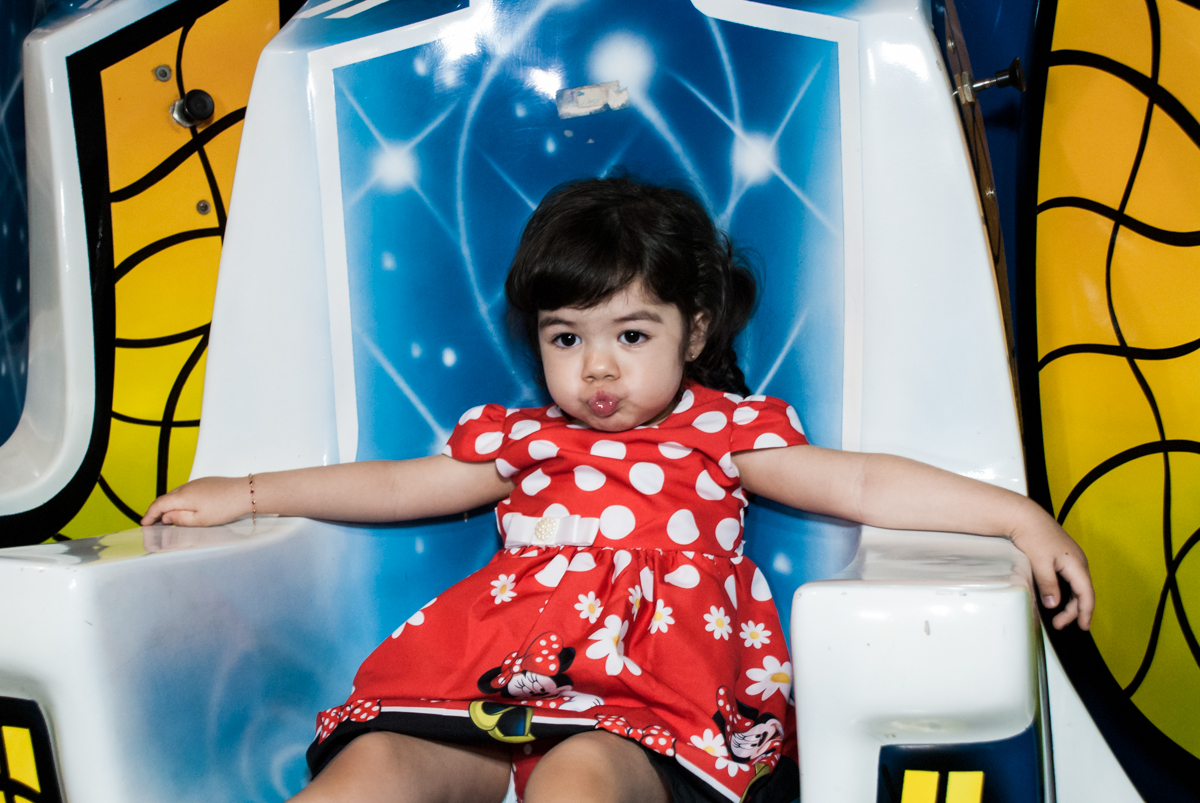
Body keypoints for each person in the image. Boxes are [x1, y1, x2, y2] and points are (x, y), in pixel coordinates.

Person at [142, 176, 1093, 803]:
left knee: (580, 782)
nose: (596, 368)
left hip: (652, 707)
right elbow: (400, 484)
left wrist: (1016, 514)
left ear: (695, 329)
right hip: (488, 682)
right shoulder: (522, 439)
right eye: (566, 337)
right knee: (370, 771)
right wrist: (250, 489)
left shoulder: (724, 430)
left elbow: (861, 480)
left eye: (631, 335)